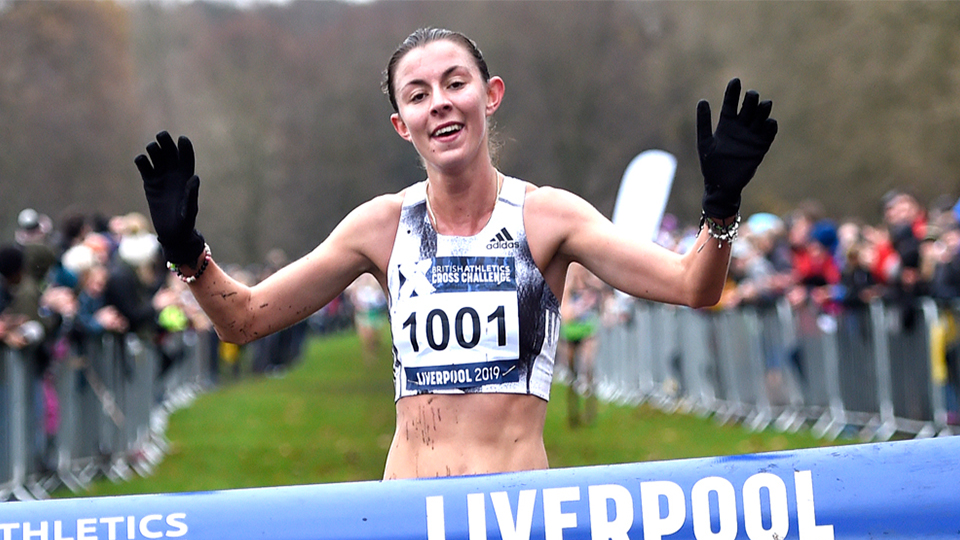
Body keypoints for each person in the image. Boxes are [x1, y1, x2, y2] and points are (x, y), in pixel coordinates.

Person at [135, 27, 776, 479]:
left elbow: (695, 286)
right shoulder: (381, 226)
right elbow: (244, 319)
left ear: (489, 94)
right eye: (416, 94)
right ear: (401, 123)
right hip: (409, 509)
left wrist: (719, 211)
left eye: (454, 83)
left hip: (517, 507)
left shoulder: (549, 216)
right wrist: (188, 252)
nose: (438, 101)